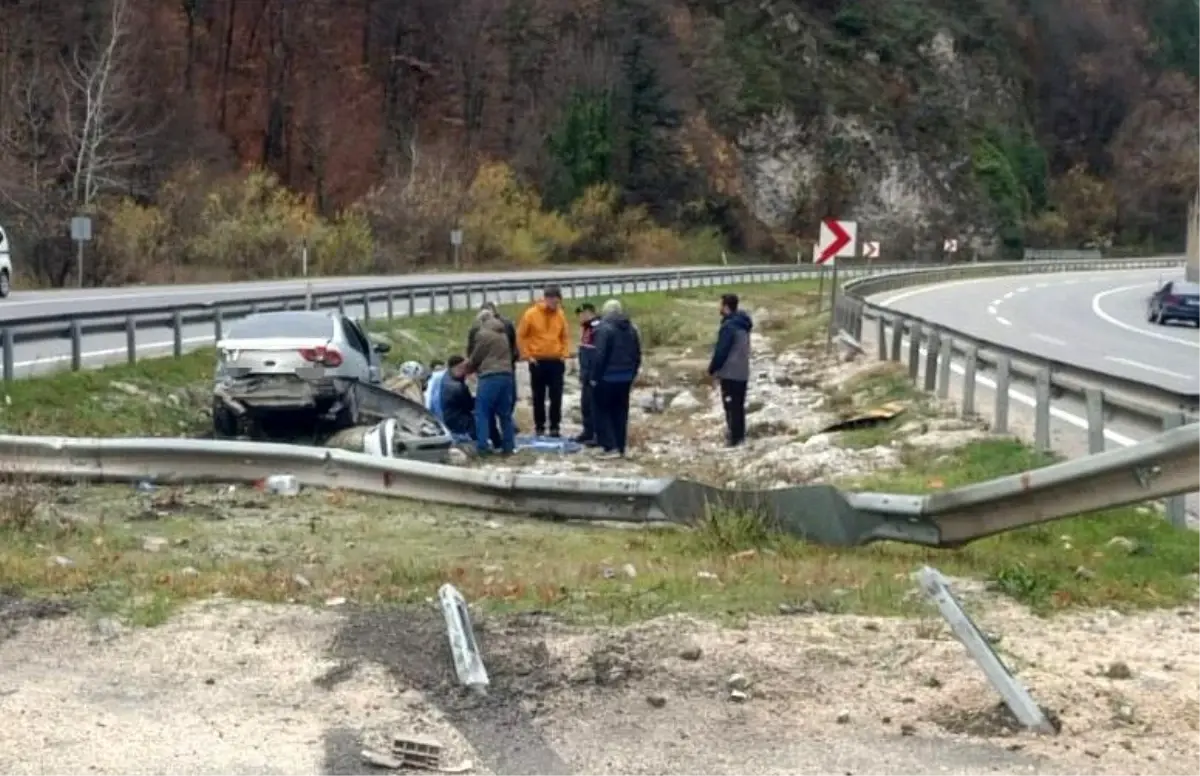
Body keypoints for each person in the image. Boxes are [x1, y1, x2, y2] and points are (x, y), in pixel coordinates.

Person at [458, 309, 516, 455]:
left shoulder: (483, 334)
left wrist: (465, 369)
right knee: (505, 414)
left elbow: (476, 357)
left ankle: (482, 447)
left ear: (482, 321)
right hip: (507, 375)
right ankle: (509, 446)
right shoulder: (502, 333)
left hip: (490, 376)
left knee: (482, 412)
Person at [590, 299, 641, 459]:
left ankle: (609, 446)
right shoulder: (631, 328)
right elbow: (637, 354)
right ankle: (620, 446)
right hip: (625, 377)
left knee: (603, 411)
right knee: (620, 412)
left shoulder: (604, 329)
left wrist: (594, 377)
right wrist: (632, 373)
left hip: (607, 377)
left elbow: (600, 355)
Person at [516, 284, 569, 437]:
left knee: (556, 396)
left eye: (557, 300)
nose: (554, 303)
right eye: (552, 299)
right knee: (538, 396)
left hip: (556, 360)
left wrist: (563, 354)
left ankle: (555, 426)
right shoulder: (531, 314)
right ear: (545, 298)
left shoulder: (560, 314)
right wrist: (527, 355)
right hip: (537, 361)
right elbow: (521, 335)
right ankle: (539, 426)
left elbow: (564, 336)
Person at [707, 293, 753, 448]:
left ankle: (733, 439)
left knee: (730, 407)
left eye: (720, 305)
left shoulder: (729, 327)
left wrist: (712, 369)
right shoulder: (744, 324)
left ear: (726, 307)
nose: (718, 308)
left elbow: (722, 351)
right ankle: (739, 437)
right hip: (742, 372)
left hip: (729, 373)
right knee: (738, 406)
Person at [574, 303, 600, 446]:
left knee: (594, 406)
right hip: (585, 373)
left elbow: (596, 355)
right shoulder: (586, 329)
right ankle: (587, 431)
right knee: (585, 405)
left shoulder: (597, 329)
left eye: (582, 314)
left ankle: (596, 434)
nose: (580, 317)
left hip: (593, 374)